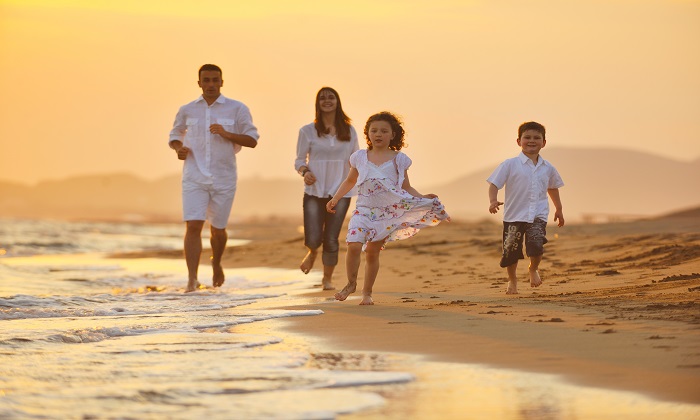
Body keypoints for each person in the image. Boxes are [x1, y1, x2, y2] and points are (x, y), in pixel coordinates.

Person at [326, 111, 449, 305]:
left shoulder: (399, 159)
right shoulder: (359, 157)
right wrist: (336, 198)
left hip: (387, 214)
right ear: (368, 133)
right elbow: (350, 180)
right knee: (353, 245)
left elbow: (406, 186)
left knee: (373, 252)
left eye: (384, 131)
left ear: (393, 134)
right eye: (374, 130)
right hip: (363, 210)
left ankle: (367, 293)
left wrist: (423, 197)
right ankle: (351, 283)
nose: (378, 134)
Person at [168, 64, 259, 293]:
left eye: (214, 80)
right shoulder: (187, 109)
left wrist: (226, 133)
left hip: (224, 177)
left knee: (218, 229)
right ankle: (192, 280)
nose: (210, 84)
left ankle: (216, 262)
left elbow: (252, 140)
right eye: (206, 80)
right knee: (193, 225)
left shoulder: (237, 108)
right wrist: (178, 148)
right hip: (194, 175)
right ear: (198, 83)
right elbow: (175, 135)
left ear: (222, 82)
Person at [487, 121, 564, 295]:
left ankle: (533, 268)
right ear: (518, 141)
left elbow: (552, 188)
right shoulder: (509, 164)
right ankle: (512, 280)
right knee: (511, 252)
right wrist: (493, 200)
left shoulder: (548, 167)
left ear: (543, 142)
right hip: (513, 215)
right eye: (527, 137)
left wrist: (558, 209)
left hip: (538, 214)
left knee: (536, 246)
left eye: (537, 138)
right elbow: (494, 184)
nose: (532, 141)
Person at [294, 87, 360, 290]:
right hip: (314, 191)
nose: (327, 101)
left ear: (337, 101)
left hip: (341, 192)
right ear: (317, 104)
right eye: (322, 98)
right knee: (314, 237)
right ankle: (312, 251)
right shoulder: (307, 131)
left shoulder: (349, 130)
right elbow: (298, 160)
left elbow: (356, 160)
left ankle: (327, 279)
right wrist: (305, 172)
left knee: (331, 237)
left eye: (331, 97)